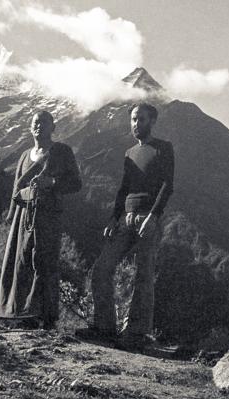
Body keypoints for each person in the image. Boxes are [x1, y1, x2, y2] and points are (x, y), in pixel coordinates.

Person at [76, 103, 174, 351]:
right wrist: (113, 217)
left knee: (144, 275)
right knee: (101, 268)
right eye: (132, 119)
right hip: (126, 218)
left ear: (152, 121)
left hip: (147, 218)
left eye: (141, 119)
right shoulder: (130, 152)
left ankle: (136, 333)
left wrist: (153, 216)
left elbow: (167, 185)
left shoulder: (164, 148)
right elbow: (123, 188)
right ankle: (105, 327)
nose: (135, 124)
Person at [0, 111, 82, 330]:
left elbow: (75, 183)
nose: (39, 126)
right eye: (35, 123)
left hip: (48, 215)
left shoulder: (62, 151)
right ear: (30, 127)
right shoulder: (25, 155)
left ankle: (45, 316)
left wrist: (52, 182)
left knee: (44, 262)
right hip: (23, 216)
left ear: (53, 127)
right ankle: (20, 314)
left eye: (44, 123)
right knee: (20, 262)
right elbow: (17, 186)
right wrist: (11, 214)